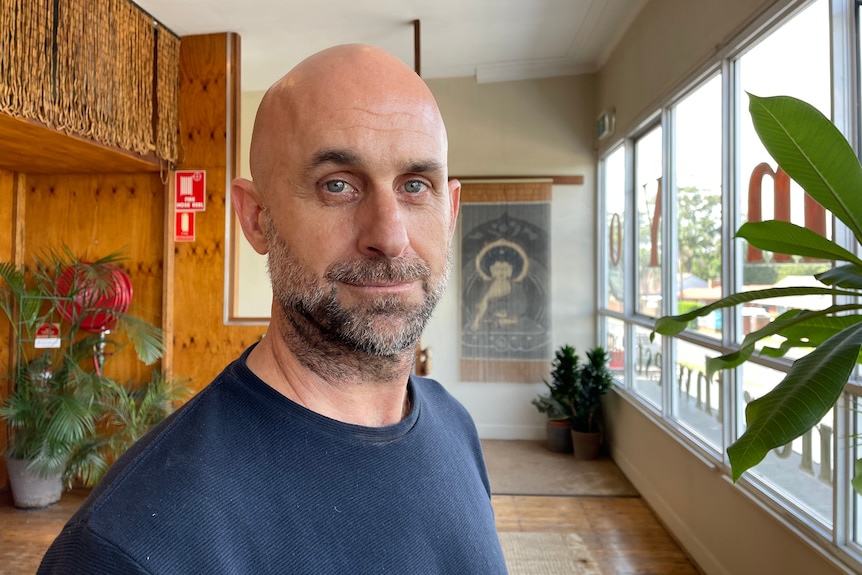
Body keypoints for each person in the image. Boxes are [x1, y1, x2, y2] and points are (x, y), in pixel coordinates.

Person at [37, 44, 508, 574]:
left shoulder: (453, 425)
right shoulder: (130, 545)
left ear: (450, 212)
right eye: (338, 186)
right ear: (257, 218)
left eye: (415, 186)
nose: (390, 236)